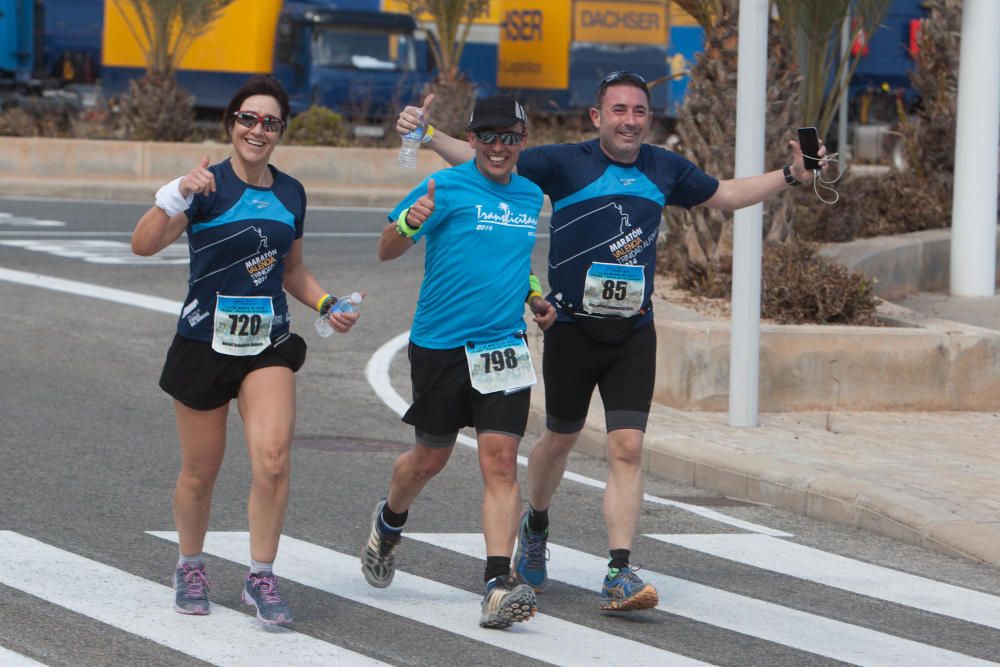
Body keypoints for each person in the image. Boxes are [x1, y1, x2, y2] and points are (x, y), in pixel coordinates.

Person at [396, 71, 823, 613]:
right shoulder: (563, 163)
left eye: (639, 111)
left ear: (649, 118)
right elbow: (486, 157)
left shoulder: (663, 168)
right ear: (597, 117)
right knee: (558, 439)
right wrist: (428, 134)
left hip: (633, 333)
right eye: (618, 110)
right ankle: (537, 525)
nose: (629, 120)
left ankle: (619, 570)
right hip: (571, 330)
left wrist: (792, 172)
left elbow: (728, 196)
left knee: (628, 446)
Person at [131, 75, 360, 625]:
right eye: (248, 119)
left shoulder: (291, 193)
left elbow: (292, 269)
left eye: (270, 122)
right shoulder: (205, 187)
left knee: (275, 460)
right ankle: (190, 564)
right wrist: (174, 196)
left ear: (281, 131)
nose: (258, 130)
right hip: (202, 343)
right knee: (200, 470)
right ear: (231, 124)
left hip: (267, 344)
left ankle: (261, 576)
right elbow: (143, 244)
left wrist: (326, 303)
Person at [362, 94, 556, 629]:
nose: (499, 147)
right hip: (441, 346)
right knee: (429, 460)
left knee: (499, 460)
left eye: (510, 137)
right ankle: (389, 519)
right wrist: (407, 224)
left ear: (522, 141)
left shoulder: (529, 196)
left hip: (502, 348)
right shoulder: (443, 187)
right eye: (488, 137)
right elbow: (384, 249)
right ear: (470, 140)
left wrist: (535, 296)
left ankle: (498, 581)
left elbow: (515, 262)